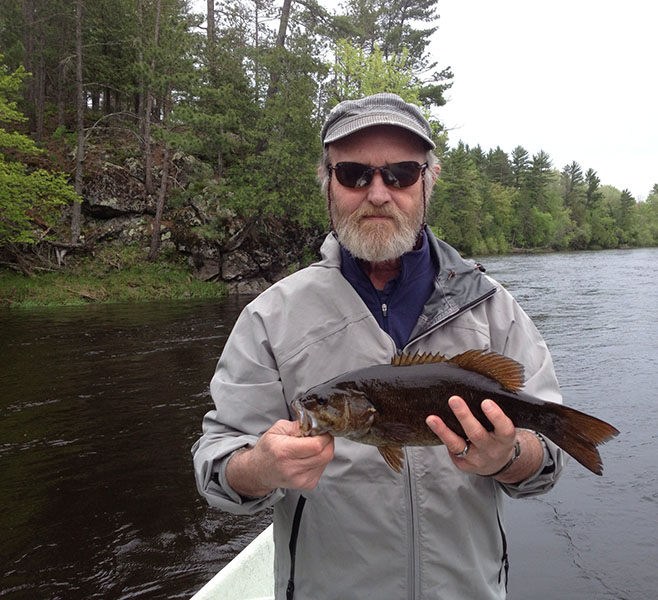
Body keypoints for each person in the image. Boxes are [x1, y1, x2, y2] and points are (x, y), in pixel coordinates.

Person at [192, 93, 566, 600]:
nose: (378, 193)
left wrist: (508, 456)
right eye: (353, 174)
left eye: (400, 173)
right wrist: (260, 467)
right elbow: (215, 469)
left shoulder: (493, 307)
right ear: (327, 183)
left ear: (428, 181)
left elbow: (546, 464)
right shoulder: (270, 316)